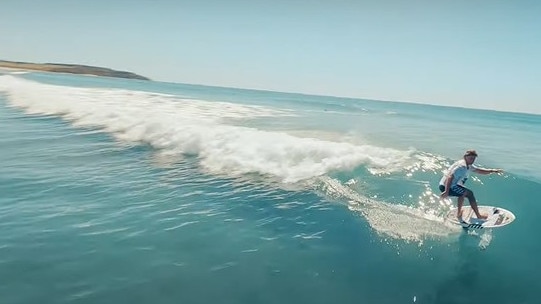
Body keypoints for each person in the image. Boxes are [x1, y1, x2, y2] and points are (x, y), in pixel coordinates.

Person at [439, 150, 503, 220]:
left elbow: (479, 170)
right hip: (447, 186)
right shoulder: (461, 167)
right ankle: (479, 216)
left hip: (447, 185)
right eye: (471, 158)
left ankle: (459, 213)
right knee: (470, 194)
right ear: (465, 157)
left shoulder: (468, 165)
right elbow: (450, 177)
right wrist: (446, 191)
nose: (472, 160)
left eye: (474, 158)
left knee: (463, 193)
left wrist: (492, 170)